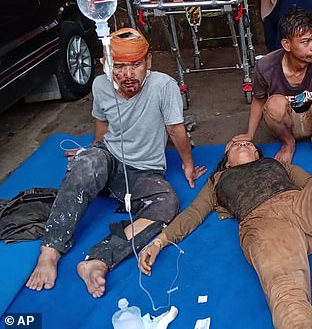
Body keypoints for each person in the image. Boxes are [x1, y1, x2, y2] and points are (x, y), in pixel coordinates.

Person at [25, 28, 206, 298]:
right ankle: (50, 250)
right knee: (86, 164)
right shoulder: (100, 85)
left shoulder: (164, 86)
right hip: (110, 160)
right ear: (107, 64)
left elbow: (176, 130)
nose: (128, 74)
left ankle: (97, 261)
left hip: (144, 173)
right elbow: (102, 124)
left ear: (149, 62)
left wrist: (188, 164)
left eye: (135, 65)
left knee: (167, 202)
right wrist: (91, 154)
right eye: (119, 66)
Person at [139, 140, 312, 329]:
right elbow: (194, 213)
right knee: (289, 299)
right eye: (236, 145)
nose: (243, 143)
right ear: (227, 160)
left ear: (258, 153)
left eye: (248, 143)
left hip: (301, 207)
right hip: (265, 226)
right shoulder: (217, 180)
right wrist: (159, 241)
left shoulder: (277, 164)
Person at [234, 8, 312, 165]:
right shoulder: (265, 65)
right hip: (286, 121)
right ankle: (288, 143)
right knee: (273, 105)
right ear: (286, 44)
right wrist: (250, 134)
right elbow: (258, 100)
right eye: (305, 41)